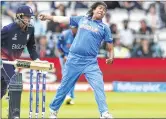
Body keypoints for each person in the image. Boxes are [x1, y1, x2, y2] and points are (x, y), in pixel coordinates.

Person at [39, 2, 114, 118]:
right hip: (74, 59)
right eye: (100, 8)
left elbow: (110, 44)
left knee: (99, 86)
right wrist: (48, 17)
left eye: (104, 10)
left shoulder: (104, 28)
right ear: (93, 9)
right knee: (65, 87)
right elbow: (63, 19)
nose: (102, 11)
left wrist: (111, 56)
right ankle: (53, 110)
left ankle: (104, 113)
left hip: (90, 62)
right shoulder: (82, 19)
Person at [1, 5, 39, 118]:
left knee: (1, 90)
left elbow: (31, 47)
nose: (29, 19)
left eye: (30, 17)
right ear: (19, 16)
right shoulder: (8, 29)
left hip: (12, 62)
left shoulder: (31, 29)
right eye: (27, 17)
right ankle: (14, 114)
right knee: (15, 83)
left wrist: (37, 59)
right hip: (3, 61)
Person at [57, 26, 78, 105]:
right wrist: (63, 55)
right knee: (66, 76)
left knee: (73, 77)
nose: (75, 29)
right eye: (74, 28)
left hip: (74, 58)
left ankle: (70, 96)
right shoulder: (65, 34)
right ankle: (67, 95)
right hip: (64, 57)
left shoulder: (80, 35)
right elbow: (58, 46)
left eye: (76, 28)